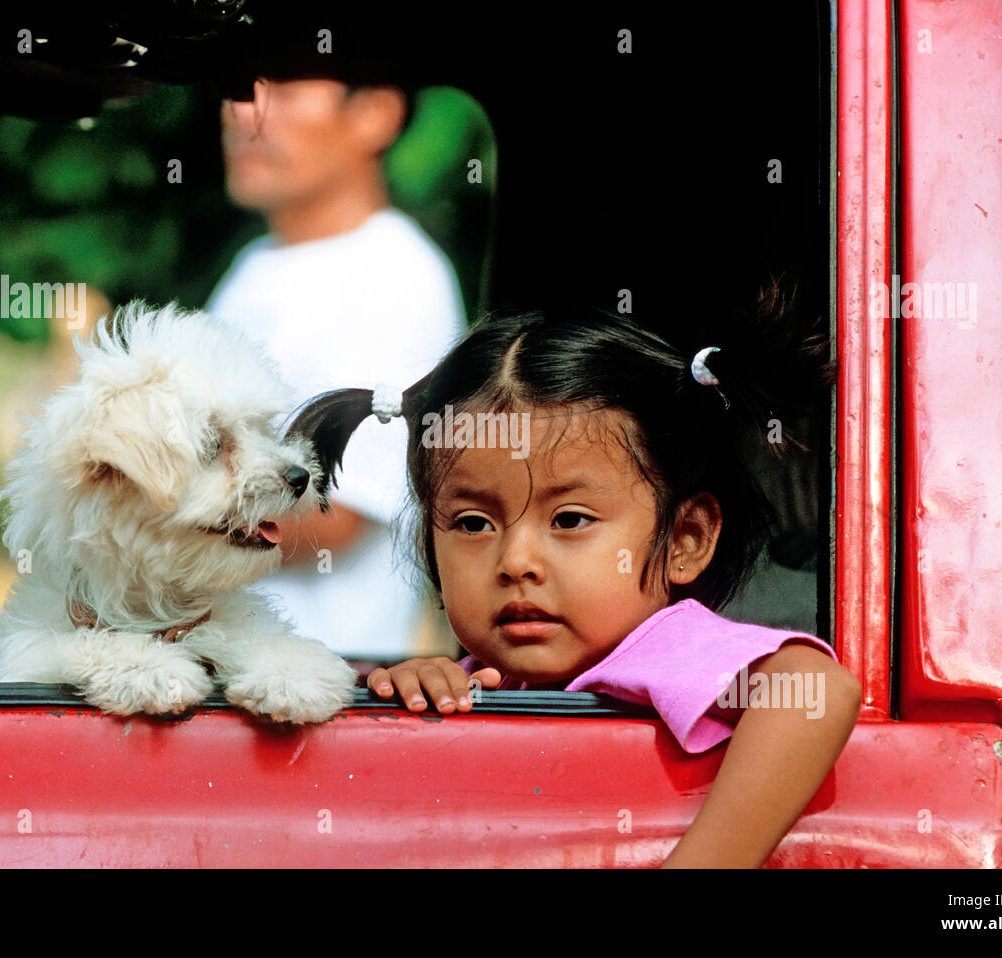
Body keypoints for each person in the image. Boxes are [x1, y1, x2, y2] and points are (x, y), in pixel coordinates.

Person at [286, 289, 861, 867]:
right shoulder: (488, 678)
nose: (515, 561)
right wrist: (425, 691)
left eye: (570, 520)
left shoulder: (665, 651)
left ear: (685, 540)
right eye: (473, 522)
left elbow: (815, 693)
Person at [207, 77, 466, 659]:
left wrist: (145, 520)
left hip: (324, 692)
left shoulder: (398, 275)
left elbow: (334, 513)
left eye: (287, 91)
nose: (245, 112)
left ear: (376, 112)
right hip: (218, 674)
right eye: (240, 88)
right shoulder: (252, 267)